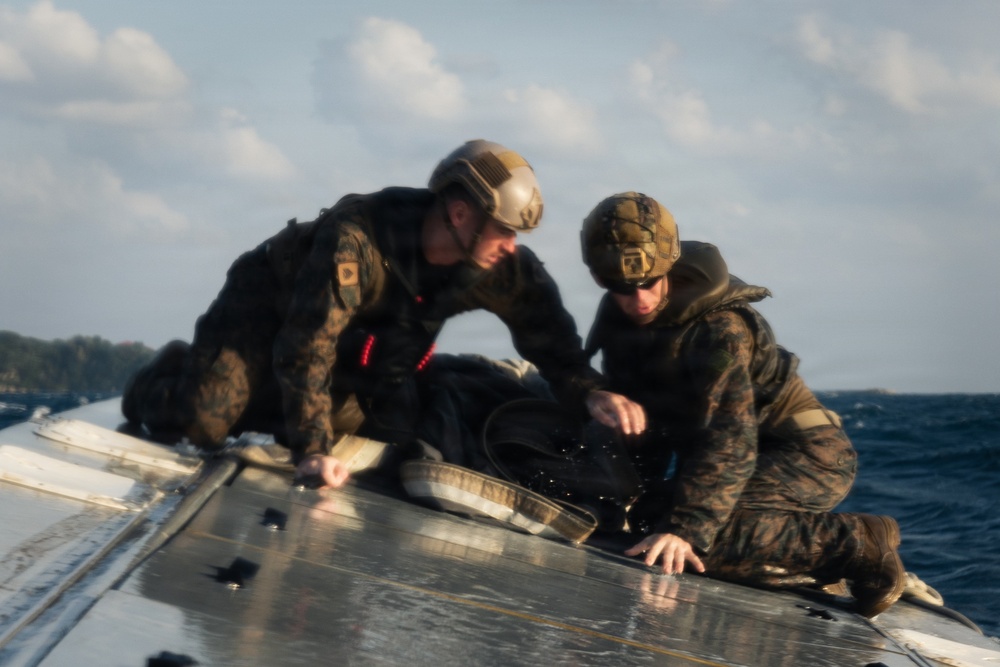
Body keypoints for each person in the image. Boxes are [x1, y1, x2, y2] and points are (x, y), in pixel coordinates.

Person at [122, 140, 640, 490]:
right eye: (504, 230)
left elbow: (552, 344)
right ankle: (170, 376)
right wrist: (312, 451)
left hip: (362, 348)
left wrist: (592, 391)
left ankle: (273, 410)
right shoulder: (356, 241)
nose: (511, 247)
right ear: (460, 214)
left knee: (382, 441)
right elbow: (308, 346)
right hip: (268, 310)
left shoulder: (499, 265)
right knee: (208, 419)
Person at [579, 191, 906, 618]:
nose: (638, 300)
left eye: (648, 283)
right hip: (732, 460)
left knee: (698, 543)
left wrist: (685, 528)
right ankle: (792, 557)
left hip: (807, 454)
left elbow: (730, 439)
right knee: (648, 528)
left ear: (668, 268)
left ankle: (860, 542)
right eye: (622, 288)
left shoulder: (721, 330)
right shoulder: (623, 327)